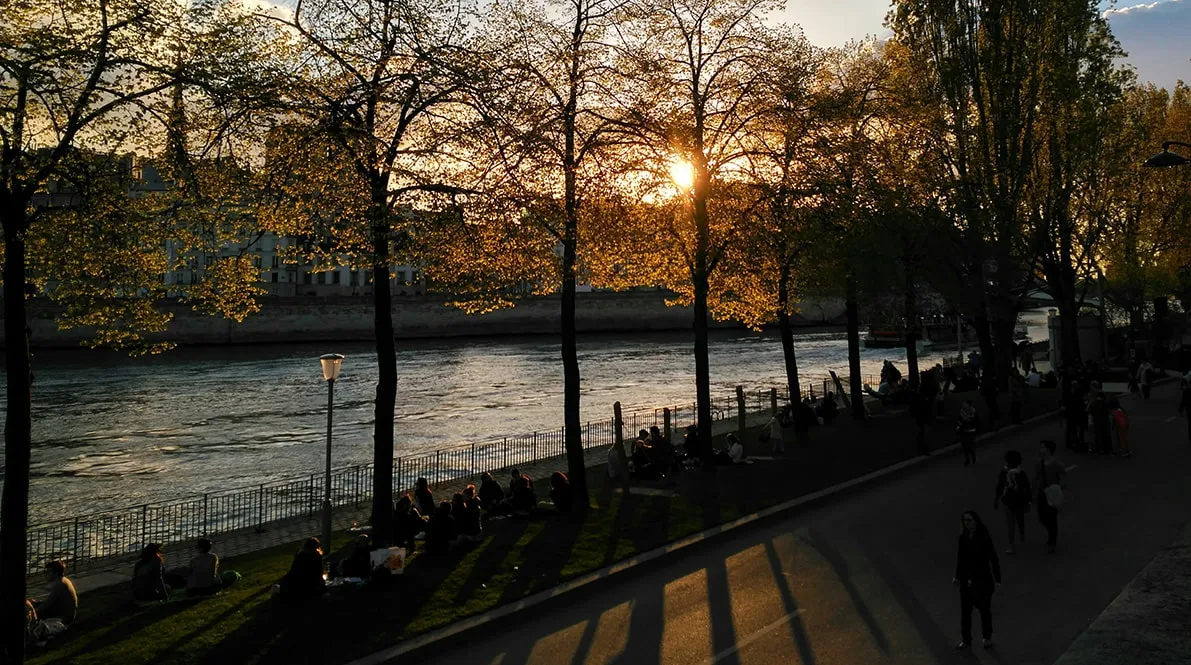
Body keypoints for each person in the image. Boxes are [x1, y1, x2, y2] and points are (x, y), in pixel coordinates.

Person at [953, 510, 1001, 650]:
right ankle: (966, 640)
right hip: (966, 581)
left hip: (982, 580)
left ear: (976, 521)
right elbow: (960, 559)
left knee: (984, 609)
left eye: (969, 520)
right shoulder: (962, 538)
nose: (967, 523)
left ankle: (987, 637)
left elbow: (993, 557)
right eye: (965, 521)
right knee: (965, 612)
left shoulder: (984, 537)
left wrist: (997, 578)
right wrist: (957, 576)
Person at [993, 451, 1031, 554]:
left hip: (1019, 501)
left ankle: (1022, 535)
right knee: (1010, 523)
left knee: (1020, 520)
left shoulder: (1021, 473)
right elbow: (999, 486)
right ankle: (1011, 544)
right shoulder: (1004, 472)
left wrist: (1028, 501)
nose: (1010, 465)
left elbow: (1026, 488)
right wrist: (997, 499)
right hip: (1007, 501)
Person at [1033, 440, 1066, 554]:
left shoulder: (1057, 464)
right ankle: (1051, 533)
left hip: (1052, 494)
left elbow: (1063, 477)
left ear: (1048, 449)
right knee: (1042, 517)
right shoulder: (1038, 463)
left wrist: (1058, 488)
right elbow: (1037, 478)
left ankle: (1052, 541)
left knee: (1052, 518)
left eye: (1042, 447)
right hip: (1042, 493)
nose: (1040, 449)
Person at [279, 537, 326, 601]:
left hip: (295, 583)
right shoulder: (315, 557)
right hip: (308, 584)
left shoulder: (299, 556)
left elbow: (293, 571)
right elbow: (318, 573)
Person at [32, 560, 77, 625]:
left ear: (55, 573)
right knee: (32, 603)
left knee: (34, 609)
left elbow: (47, 604)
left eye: (48, 572)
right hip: (62, 611)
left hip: (63, 616)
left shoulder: (60, 584)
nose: (46, 574)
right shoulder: (63, 580)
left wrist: (33, 612)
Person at [1087, 388, 1110, 455]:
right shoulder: (1105, 403)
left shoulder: (1093, 403)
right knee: (1104, 435)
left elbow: (1090, 411)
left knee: (1097, 435)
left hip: (1096, 421)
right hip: (1104, 421)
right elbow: (1108, 412)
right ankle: (1105, 449)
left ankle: (1098, 449)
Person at [957, 400, 978, 466]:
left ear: (969, 405)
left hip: (971, 431)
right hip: (963, 432)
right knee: (964, 446)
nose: (963, 405)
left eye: (965, 404)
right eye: (963, 404)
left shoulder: (973, 412)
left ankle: (972, 455)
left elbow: (976, 422)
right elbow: (959, 422)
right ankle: (967, 459)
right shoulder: (961, 412)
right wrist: (958, 429)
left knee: (970, 446)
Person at [1178, 377, 1191, 443]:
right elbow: (1183, 401)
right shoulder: (1186, 391)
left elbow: (1183, 401)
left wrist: (1181, 410)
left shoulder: (1186, 391)